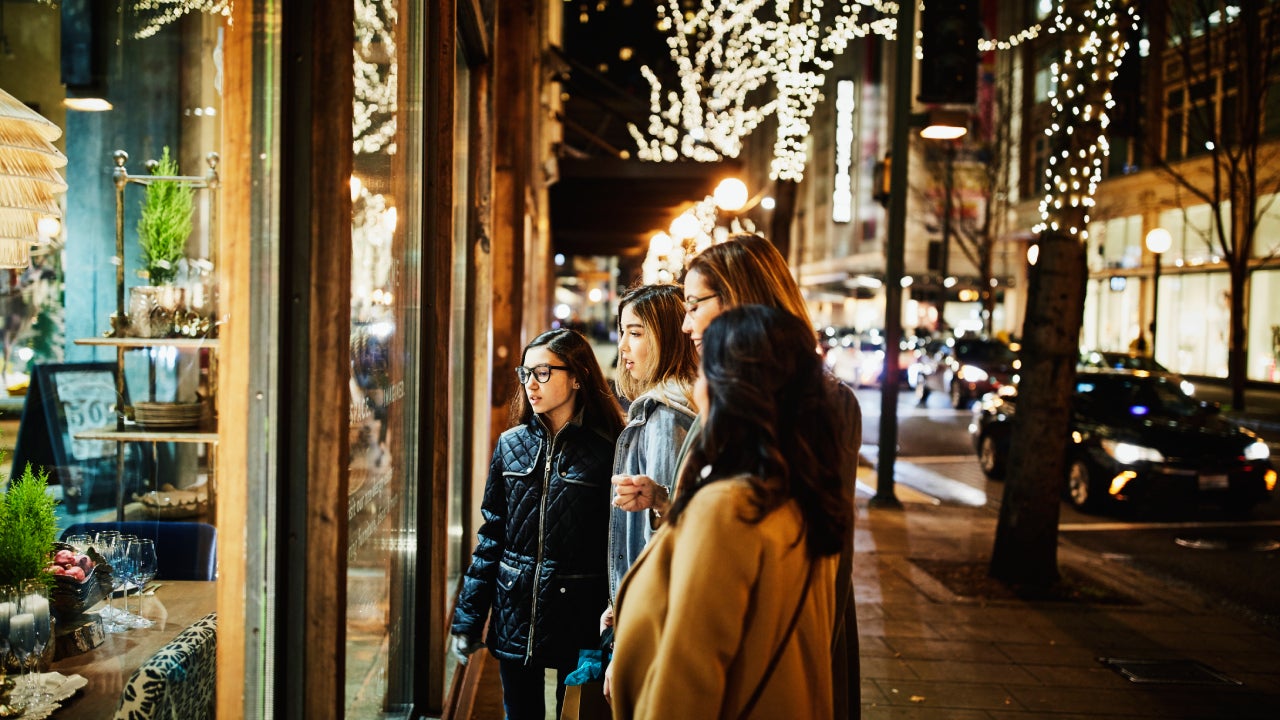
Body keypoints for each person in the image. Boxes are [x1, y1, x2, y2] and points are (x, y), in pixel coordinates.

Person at [629, 233, 863, 717]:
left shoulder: (820, 401)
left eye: (694, 304)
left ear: (738, 298)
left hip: (763, 657)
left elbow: (822, 548)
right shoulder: (726, 397)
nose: (685, 321)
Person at [450, 328, 624, 720]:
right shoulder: (510, 444)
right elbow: (491, 536)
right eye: (525, 373)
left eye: (543, 372)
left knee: (577, 713)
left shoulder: (609, 448)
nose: (531, 383)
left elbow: (618, 546)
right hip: (516, 610)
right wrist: (468, 618)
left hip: (581, 614)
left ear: (578, 376)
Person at [604, 283, 699, 632]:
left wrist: (632, 617)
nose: (623, 346)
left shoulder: (665, 415)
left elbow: (659, 532)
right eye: (622, 332)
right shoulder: (677, 404)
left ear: (668, 337)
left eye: (636, 333)